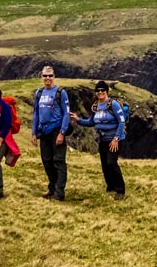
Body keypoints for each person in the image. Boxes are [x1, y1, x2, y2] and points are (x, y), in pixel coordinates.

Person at [70, 80, 127, 200]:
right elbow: (91, 122)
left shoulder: (113, 104)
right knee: (105, 165)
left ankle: (120, 190)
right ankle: (110, 187)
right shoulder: (95, 106)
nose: (100, 92)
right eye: (98, 90)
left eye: (103, 90)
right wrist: (78, 120)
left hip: (115, 138)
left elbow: (121, 121)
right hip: (103, 139)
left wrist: (116, 139)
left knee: (112, 163)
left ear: (107, 91)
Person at [32, 65, 70, 201]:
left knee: (58, 161)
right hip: (44, 131)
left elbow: (66, 114)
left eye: (50, 75)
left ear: (54, 77)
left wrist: (62, 132)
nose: (47, 78)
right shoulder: (39, 93)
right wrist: (34, 132)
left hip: (56, 130)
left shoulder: (61, 92)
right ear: (41, 77)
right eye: (45, 76)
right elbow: (36, 113)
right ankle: (52, 188)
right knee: (47, 161)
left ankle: (59, 192)